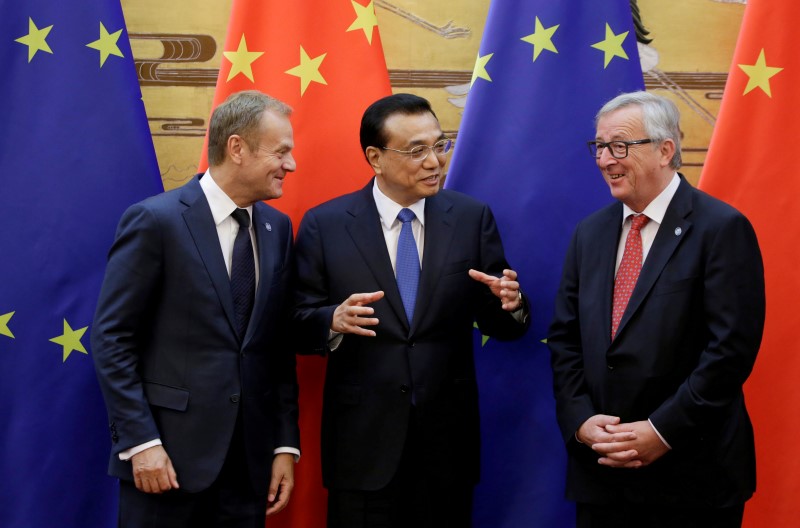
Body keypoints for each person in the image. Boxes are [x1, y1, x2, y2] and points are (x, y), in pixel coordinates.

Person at [292, 93, 530, 527]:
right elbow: (293, 324)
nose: (434, 161)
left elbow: (501, 320)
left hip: (446, 445)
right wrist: (331, 321)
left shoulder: (470, 218)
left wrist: (510, 306)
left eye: (440, 145)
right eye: (416, 150)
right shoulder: (325, 225)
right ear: (375, 157)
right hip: (362, 449)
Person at [548, 91, 765, 527]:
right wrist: (581, 420)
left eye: (620, 146)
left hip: (691, 475)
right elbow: (565, 338)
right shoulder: (589, 234)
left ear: (666, 150)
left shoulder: (721, 229)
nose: (605, 159)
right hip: (602, 474)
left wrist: (661, 431)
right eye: (600, 146)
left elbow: (730, 352)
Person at [91, 90, 301, 528]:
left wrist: (283, 444)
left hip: (249, 468)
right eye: (281, 151)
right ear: (237, 148)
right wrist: (140, 442)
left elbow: (275, 346)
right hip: (166, 463)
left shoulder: (277, 229)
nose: (291, 164)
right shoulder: (156, 221)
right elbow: (112, 339)